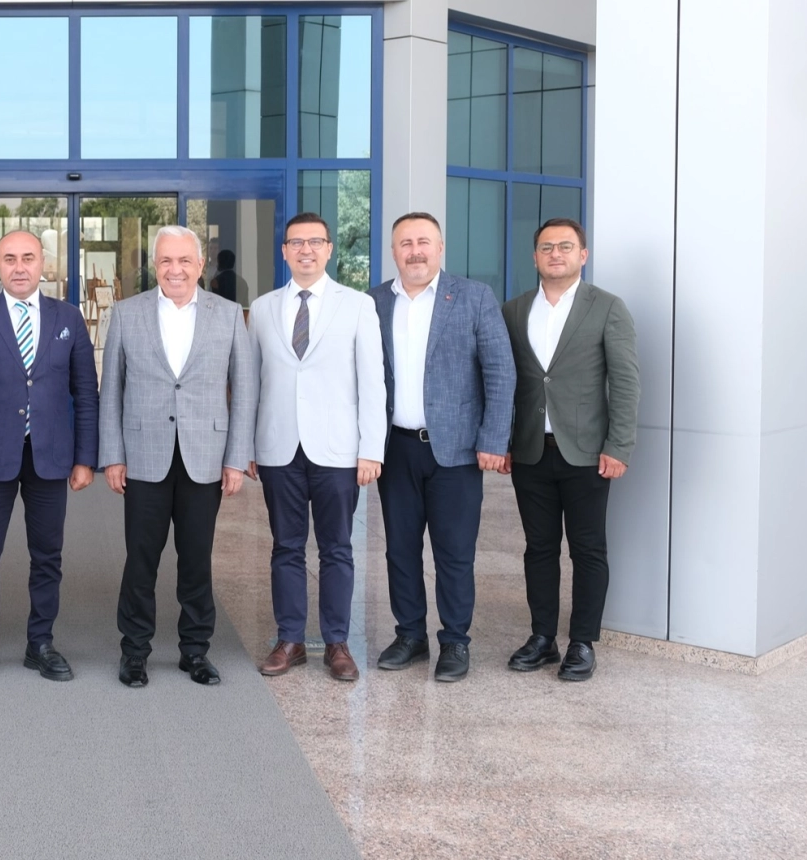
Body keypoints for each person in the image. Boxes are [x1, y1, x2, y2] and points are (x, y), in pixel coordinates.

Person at [100, 225, 256, 688]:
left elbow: (245, 389)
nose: (175, 269)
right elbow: (111, 389)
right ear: (155, 265)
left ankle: (195, 651)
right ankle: (134, 651)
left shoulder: (228, 314)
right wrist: (113, 455)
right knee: (140, 561)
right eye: (166, 260)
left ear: (200, 264)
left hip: (204, 456)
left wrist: (235, 458)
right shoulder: (127, 313)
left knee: (196, 561)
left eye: (185, 260)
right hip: (143, 455)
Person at [0, 230, 98, 684]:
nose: (19, 267)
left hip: (50, 456)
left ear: (42, 262)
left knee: (47, 555)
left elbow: (86, 393)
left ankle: (41, 643)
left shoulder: (68, 317)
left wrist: (86, 458)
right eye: (9, 258)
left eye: (27, 257)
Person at [368, 212, 514, 682]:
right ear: (394, 251)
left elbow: (500, 372)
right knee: (400, 549)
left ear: (440, 247)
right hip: (396, 449)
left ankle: (454, 640)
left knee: (454, 552)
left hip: (457, 451)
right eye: (405, 243)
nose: (415, 251)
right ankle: (410, 635)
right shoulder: (373, 302)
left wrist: (494, 439)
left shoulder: (474, 297)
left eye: (423, 242)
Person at [499, 218, 639, 682]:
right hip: (530, 452)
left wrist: (618, 445)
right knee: (538, 548)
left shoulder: (607, 307)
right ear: (535, 256)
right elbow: (504, 381)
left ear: (583, 255)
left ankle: (582, 641)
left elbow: (625, 381)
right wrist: (502, 440)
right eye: (546, 247)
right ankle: (543, 638)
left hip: (588, 453)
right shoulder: (514, 310)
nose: (555, 254)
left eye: (564, 246)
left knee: (587, 549)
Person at [247, 214, 386, 681]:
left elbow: (372, 381)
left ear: (329, 249)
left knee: (336, 548)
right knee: (285, 547)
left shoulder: (358, 305)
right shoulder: (262, 308)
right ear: (284, 251)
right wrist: (247, 445)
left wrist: (371, 448)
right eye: (296, 242)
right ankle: (289, 640)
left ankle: (336, 643)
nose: (305, 250)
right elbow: (250, 383)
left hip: (338, 450)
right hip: (278, 447)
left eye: (314, 242)